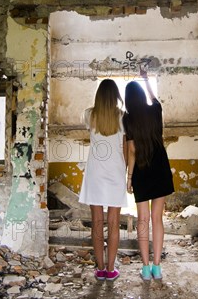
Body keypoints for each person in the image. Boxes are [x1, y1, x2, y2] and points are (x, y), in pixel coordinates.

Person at [123, 68, 175, 281]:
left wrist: (129, 176)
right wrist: (145, 80)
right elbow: (154, 99)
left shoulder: (128, 119)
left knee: (142, 220)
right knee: (157, 220)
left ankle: (145, 268)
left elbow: (132, 150)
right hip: (160, 168)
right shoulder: (155, 110)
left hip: (142, 171)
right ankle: (157, 266)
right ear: (143, 95)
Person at [78, 79, 128, 281]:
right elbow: (125, 147)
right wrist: (125, 172)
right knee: (114, 223)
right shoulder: (123, 117)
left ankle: (99, 269)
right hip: (116, 171)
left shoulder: (89, 115)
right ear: (116, 96)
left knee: (97, 222)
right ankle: (110, 268)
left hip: (95, 172)